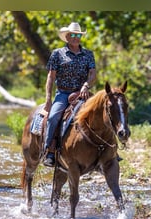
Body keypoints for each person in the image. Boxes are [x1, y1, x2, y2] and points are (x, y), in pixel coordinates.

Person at [43, 22, 97, 167]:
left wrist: (86, 85)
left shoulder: (88, 54)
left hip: (82, 92)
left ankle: (109, 151)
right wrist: (48, 98)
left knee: (102, 112)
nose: (75, 37)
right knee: (54, 117)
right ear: (67, 37)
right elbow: (51, 76)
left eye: (78, 35)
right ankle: (49, 150)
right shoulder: (57, 54)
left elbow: (93, 74)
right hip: (63, 93)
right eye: (72, 35)